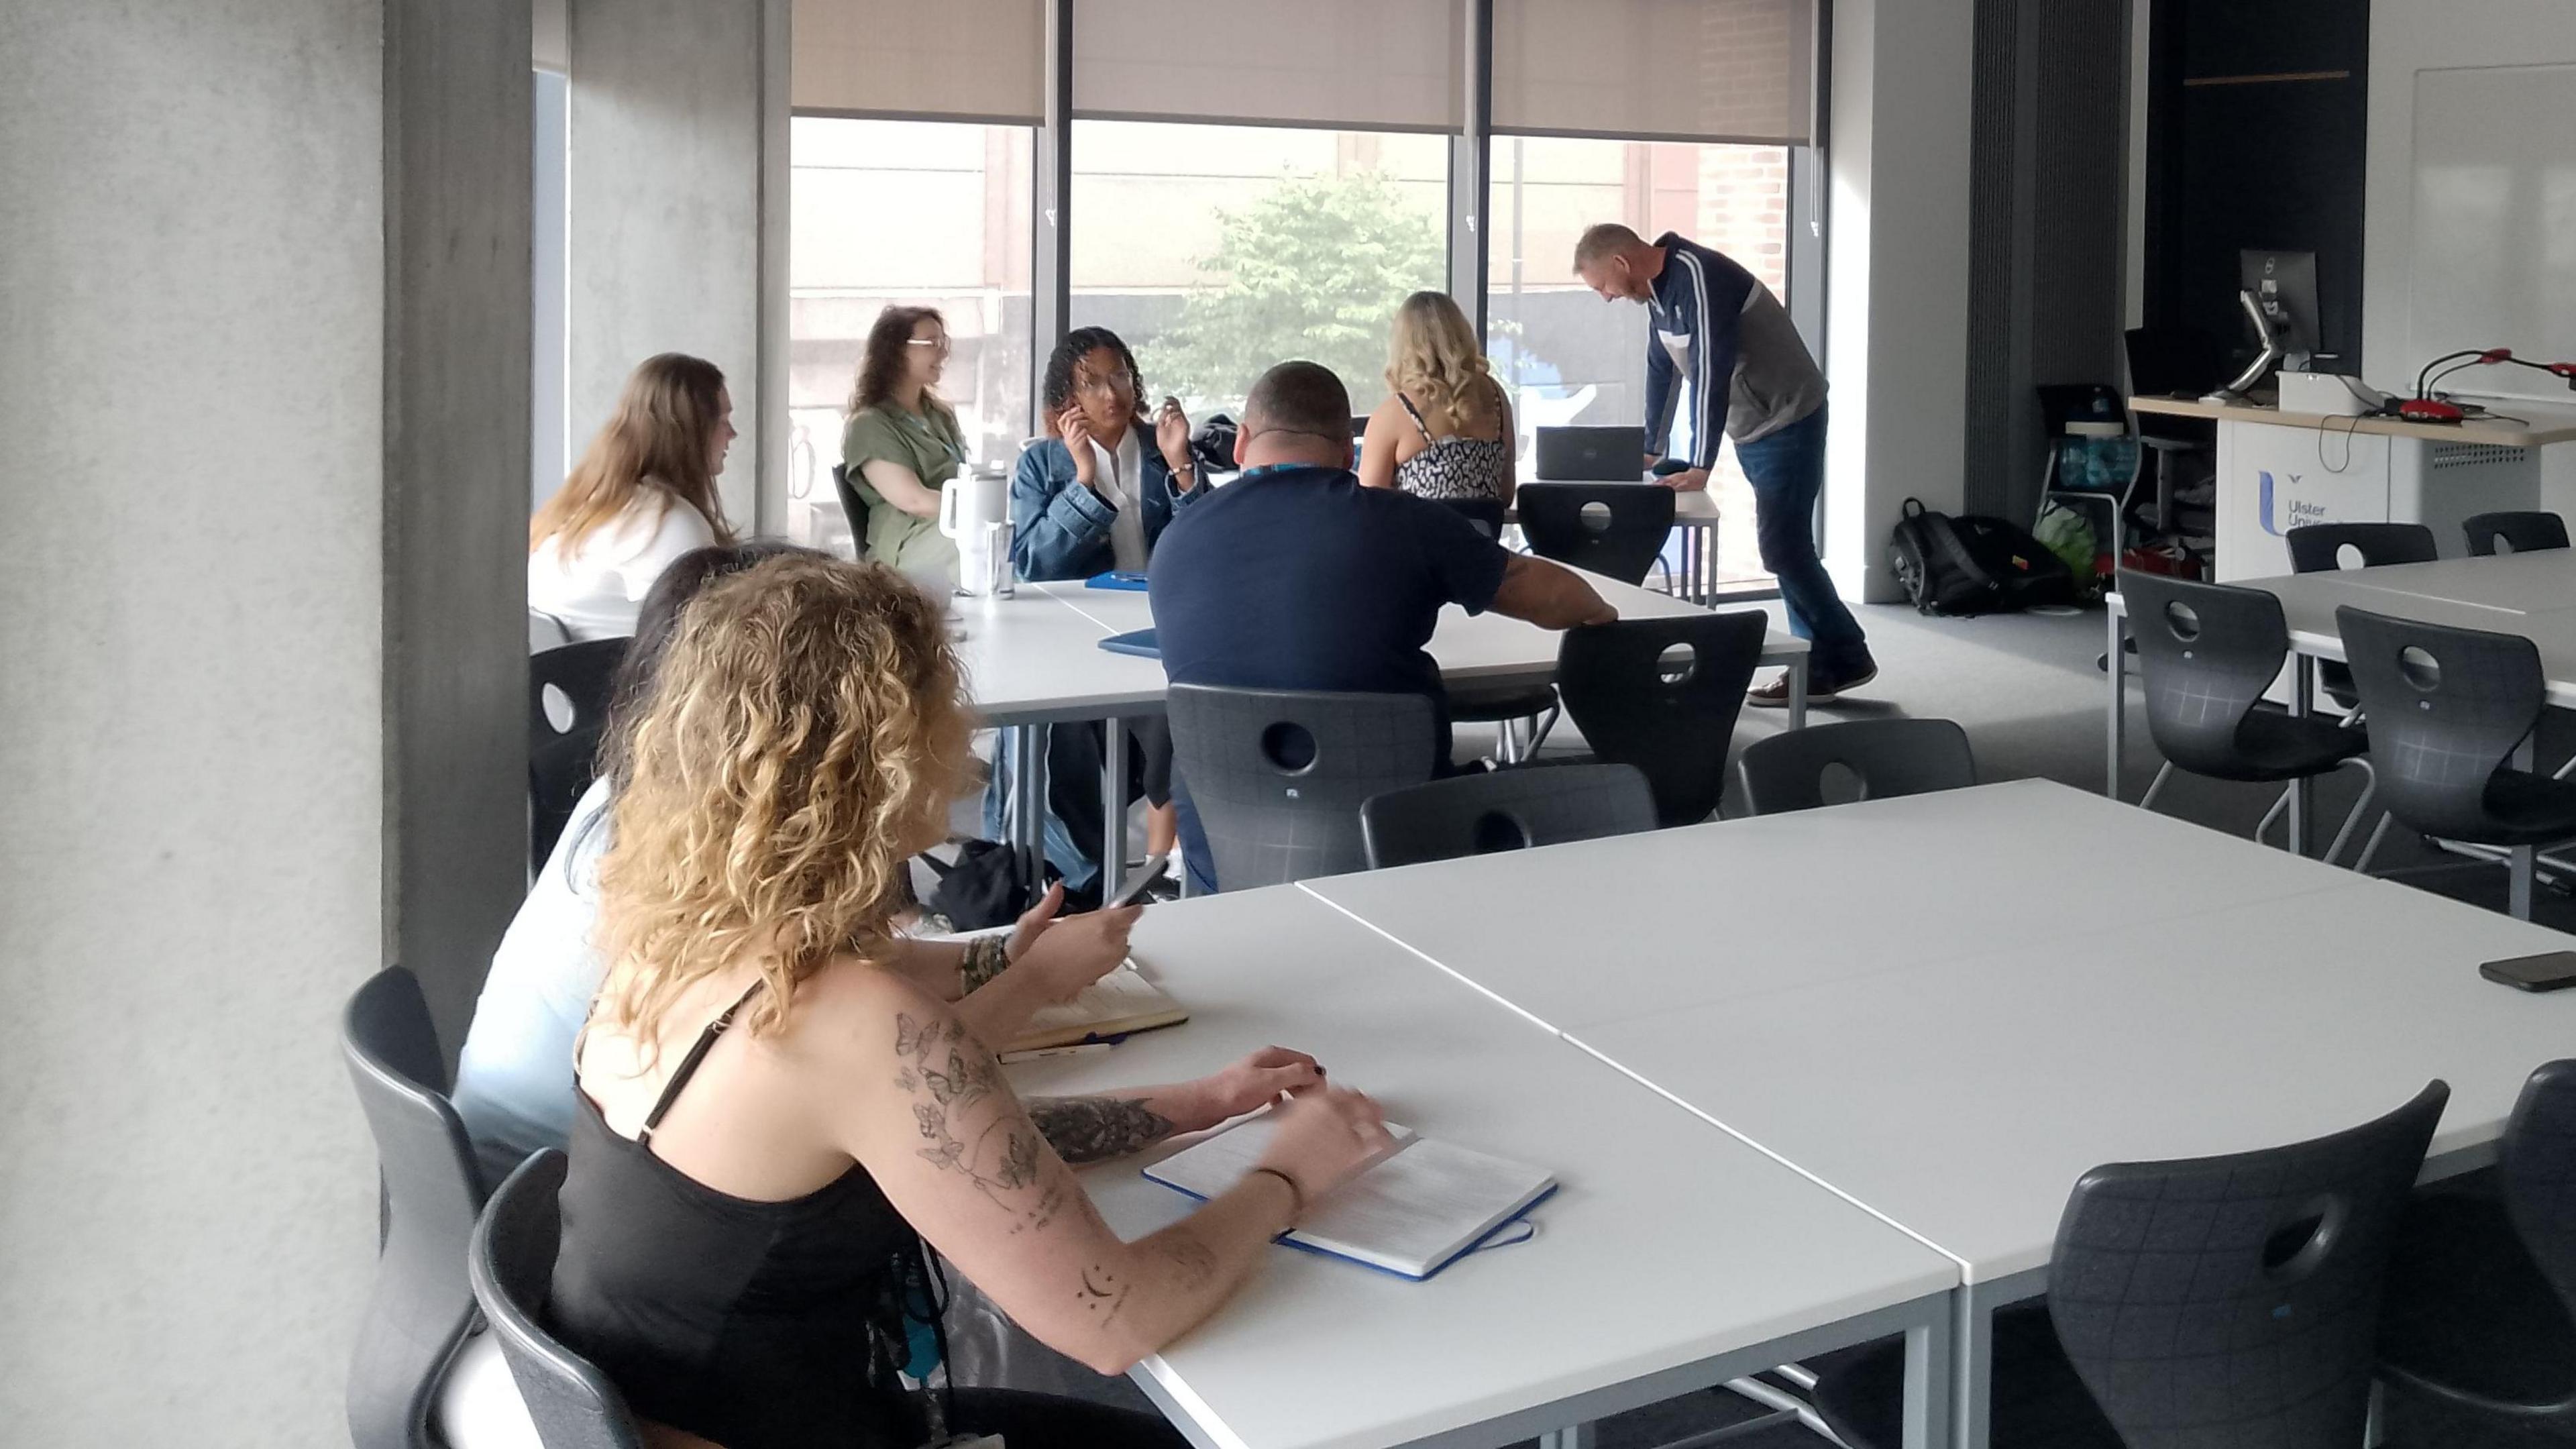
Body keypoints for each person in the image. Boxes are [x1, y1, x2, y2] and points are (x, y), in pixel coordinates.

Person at [556, 553, 1393, 1449]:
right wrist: (1290, 1175)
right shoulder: (857, 1026)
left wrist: (1194, 1105)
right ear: (887, 758)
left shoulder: (668, 949)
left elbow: (955, 1157)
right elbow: (1115, 1319)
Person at [460, 541, 1199, 1190]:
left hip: (570, 1187)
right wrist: (1035, 981)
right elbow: (877, 1078)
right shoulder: (660, 873)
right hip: (552, 1197)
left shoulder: (673, 820)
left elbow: (852, 983)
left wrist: (999, 958)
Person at [1149, 361, 1615, 892]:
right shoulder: (1406, 523)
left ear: (1243, 444)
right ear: (1349, 451)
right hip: (1403, 850)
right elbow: (1545, 595)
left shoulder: (1177, 539)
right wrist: (1601, 613)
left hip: (1227, 863)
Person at [1573, 222, 1876, 704]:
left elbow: (1711, 368)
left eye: (1601, 286)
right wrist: (1652, 446)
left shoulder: (1698, 275)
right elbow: (1662, 367)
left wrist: (1700, 463)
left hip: (1788, 415)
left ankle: (1842, 654)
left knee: (1783, 546)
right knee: (1787, 547)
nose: (1606, 297)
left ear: (1621, 263)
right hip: (1754, 423)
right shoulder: (1655, 293)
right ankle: (1821, 662)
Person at [994, 328, 1200, 900]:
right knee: (1067, 737)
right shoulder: (1043, 464)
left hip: (1158, 623)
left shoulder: (1162, 447)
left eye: (1120, 377)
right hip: (1077, 633)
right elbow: (1032, 563)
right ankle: (1088, 876)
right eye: (1092, 383)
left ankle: (1162, 861)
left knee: (1177, 709)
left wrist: (1183, 466)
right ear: (1069, 398)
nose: (1111, 393)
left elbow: (1211, 541)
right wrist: (1084, 482)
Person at [529, 352, 737, 641]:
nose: (732, 434)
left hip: (570, 680)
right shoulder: (668, 523)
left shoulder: (586, 506)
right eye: (722, 419)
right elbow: (715, 642)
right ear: (691, 430)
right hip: (632, 682)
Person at [1357, 290, 1515, 509]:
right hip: (1481, 541)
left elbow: (1368, 507)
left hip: (1418, 543)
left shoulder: (1396, 412)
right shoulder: (1496, 396)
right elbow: (1505, 494)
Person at [843, 307, 968, 576]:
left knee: (1005, 539)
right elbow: (915, 501)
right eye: (932, 344)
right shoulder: (869, 425)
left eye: (943, 343)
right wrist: (981, 508)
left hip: (955, 526)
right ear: (897, 351)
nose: (944, 353)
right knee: (981, 545)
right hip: (907, 544)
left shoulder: (940, 415)